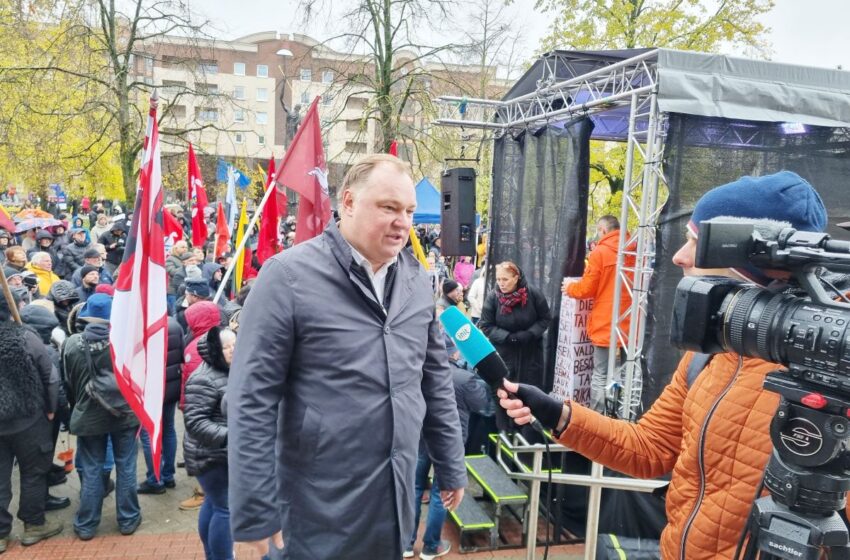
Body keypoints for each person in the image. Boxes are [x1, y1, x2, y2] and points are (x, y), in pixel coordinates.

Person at [497, 171, 830, 559]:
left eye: (695, 241)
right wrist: (558, 414)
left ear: (751, 258)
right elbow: (650, 447)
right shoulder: (711, 348)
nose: (679, 256)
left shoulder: (831, 372)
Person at [227, 153, 467, 559]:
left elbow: (434, 380)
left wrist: (450, 461)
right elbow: (251, 399)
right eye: (389, 207)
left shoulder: (413, 277)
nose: (403, 222)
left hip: (394, 501)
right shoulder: (287, 276)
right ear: (349, 203)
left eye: (408, 210)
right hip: (317, 510)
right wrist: (253, 512)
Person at [63, 293, 141, 540]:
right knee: (126, 466)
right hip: (124, 414)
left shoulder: (72, 343)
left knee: (92, 468)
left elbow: (69, 383)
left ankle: (86, 525)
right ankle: (128, 519)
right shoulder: (126, 342)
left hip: (88, 416)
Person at [0, 291, 64, 552]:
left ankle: (1, 534)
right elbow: (50, 376)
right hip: (30, 419)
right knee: (34, 472)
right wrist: (51, 408)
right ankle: (33, 525)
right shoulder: (26, 336)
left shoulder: (24, 335)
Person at [562, 215, 635, 414]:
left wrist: (569, 288)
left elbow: (586, 289)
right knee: (629, 374)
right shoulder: (636, 251)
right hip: (634, 324)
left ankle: (598, 421)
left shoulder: (600, 253)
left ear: (603, 230)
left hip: (607, 323)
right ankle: (626, 417)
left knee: (600, 375)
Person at [183, 327, 236, 560]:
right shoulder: (203, 378)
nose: (233, 349)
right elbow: (195, 422)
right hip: (210, 456)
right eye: (226, 347)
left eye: (235, 343)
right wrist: (232, 435)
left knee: (213, 504)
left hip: (217, 453)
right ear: (215, 350)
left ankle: (211, 555)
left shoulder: (227, 371)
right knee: (225, 509)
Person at [478, 261, 551, 389]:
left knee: (530, 391)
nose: (501, 283)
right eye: (498, 279)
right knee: (506, 392)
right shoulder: (493, 297)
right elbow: (485, 325)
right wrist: (507, 337)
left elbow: (545, 318)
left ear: (516, 278)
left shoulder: (533, 294)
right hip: (504, 353)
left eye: (505, 279)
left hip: (531, 352)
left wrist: (530, 333)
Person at [137, 315, 184, 495]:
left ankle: (154, 479)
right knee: (169, 428)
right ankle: (168, 475)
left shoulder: (141, 328)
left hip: (150, 389)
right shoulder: (175, 324)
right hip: (170, 386)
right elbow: (181, 355)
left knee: (148, 432)